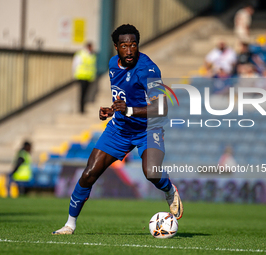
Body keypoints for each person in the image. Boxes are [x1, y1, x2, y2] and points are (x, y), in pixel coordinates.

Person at [52, 24, 183, 235]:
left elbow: (161, 107)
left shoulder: (148, 70)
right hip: (120, 128)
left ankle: (169, 189)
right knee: (88, 174)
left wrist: (129, 109)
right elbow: (124, 96)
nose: (129, 50)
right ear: (116, 47)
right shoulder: (113, 64)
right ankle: (69, 225)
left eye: (133, 45)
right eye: (124, 45)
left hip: (149, 129)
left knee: (151, 172)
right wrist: (112, 110)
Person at [72, 42, 97, 114]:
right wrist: (74, 75)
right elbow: (75, 64)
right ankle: (81, 108)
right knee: (82, 93)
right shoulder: (81, 54)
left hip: (89, 77)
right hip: (81, 76)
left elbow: (93, 66)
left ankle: (83, 107)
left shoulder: (92, 55)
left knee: (86, 93)